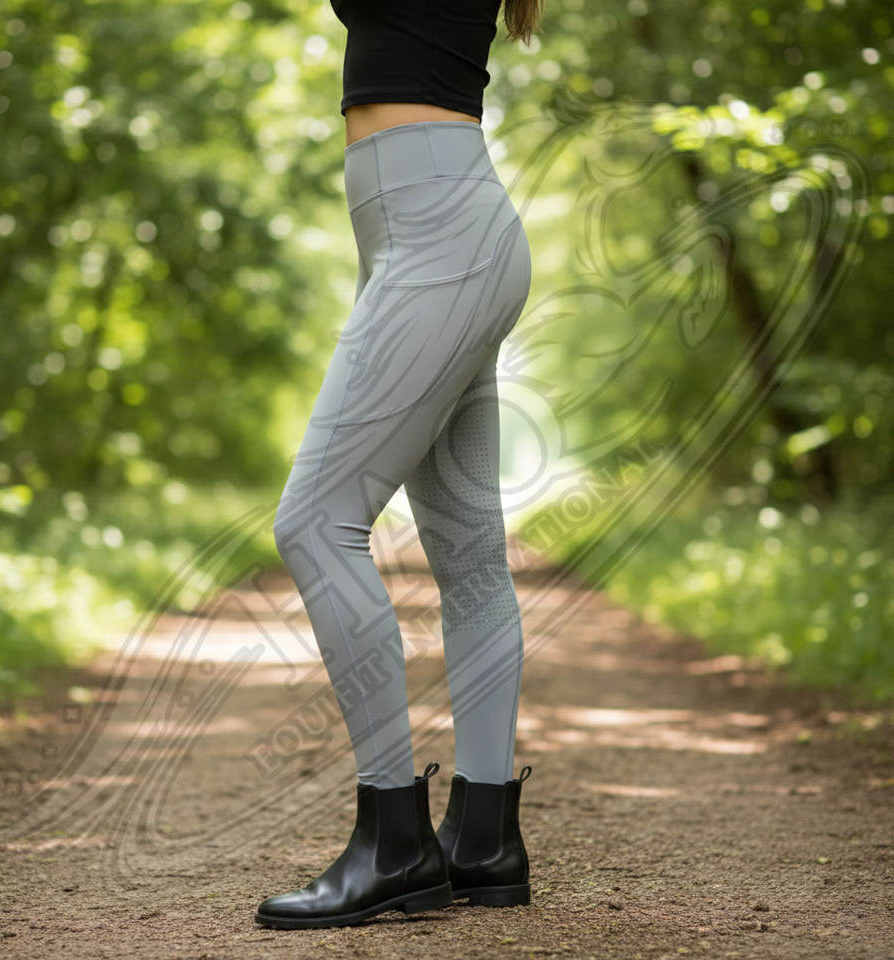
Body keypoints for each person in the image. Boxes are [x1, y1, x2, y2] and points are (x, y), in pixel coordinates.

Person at [255, 0, 543, 930]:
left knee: (315, 522)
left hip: (439, 232)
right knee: (468, 555)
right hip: (427, 228)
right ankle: (483, 838)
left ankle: (393, 844)